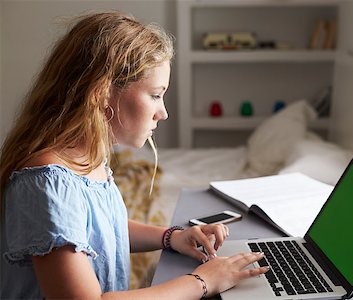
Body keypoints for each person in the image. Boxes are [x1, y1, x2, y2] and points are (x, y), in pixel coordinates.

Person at [0, 11, 268, 299]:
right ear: (102, 93)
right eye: (155, 95)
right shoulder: (47, 184)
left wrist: (171, 237)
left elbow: (104, 230)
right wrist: (202, 282)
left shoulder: (88, 159)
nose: (163, 112)